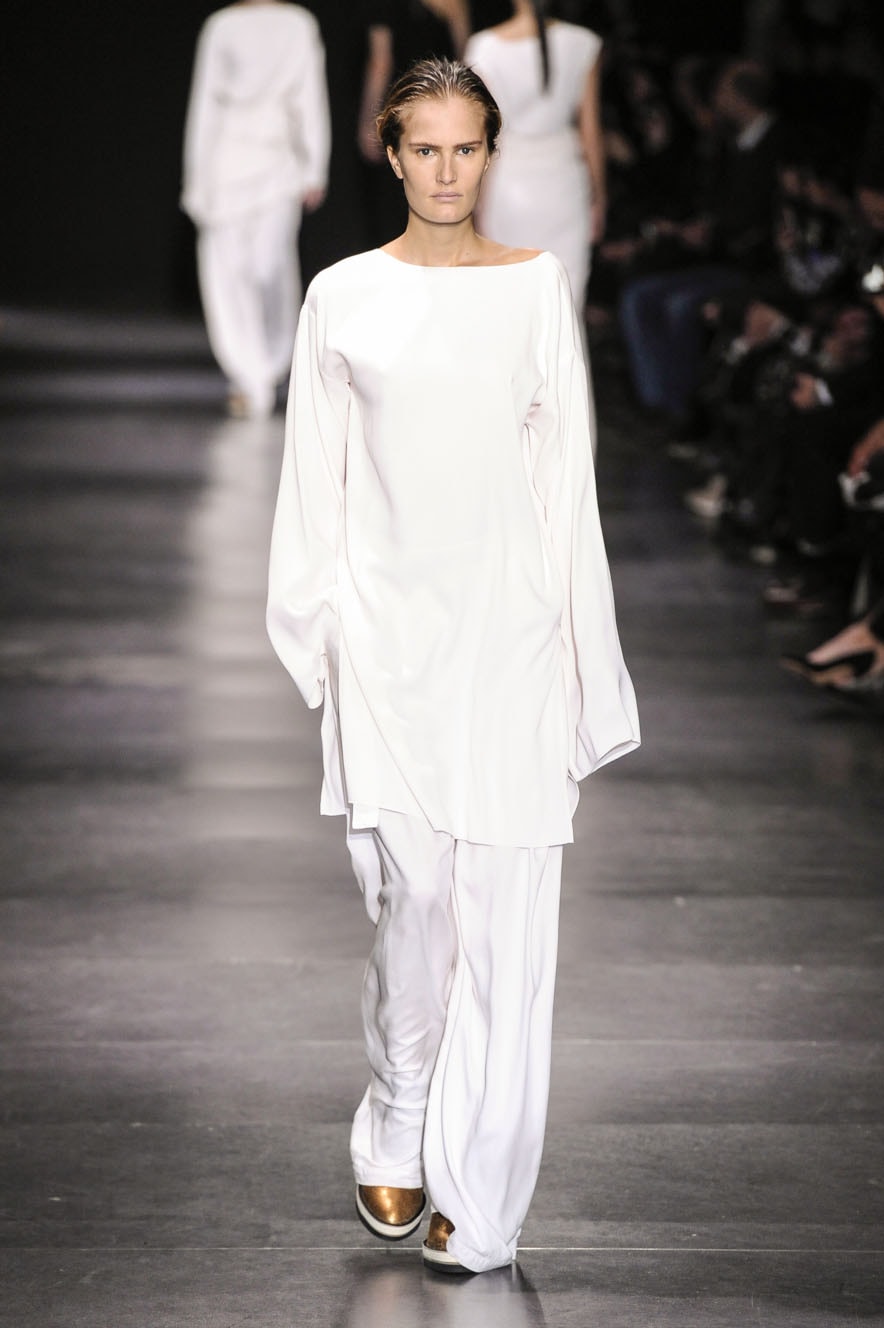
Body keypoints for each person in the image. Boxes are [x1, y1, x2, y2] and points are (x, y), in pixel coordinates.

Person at [266, 57, 639, 1275]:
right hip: (385, 642)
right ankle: (400, 1093)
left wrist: (584, 655)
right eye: (422, 148)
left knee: (506, 921)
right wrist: (314, 631)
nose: (444, 169)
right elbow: (312, 479)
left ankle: (478, 1198)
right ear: (390, 155)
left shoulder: (534, 288)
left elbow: (564, 481)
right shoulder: (341, 294)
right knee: (414, 903)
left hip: (509, 630)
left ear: (489, 153)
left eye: (464, 147)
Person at [181, 0, 331, 418]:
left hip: (277, 161)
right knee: (230, 271)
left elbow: (310, 96)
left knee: (268, 268)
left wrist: (315, 165)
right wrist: (196, 176)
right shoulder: (221, 26)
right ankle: (249, 375)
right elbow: (206, 103)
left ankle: (268, 364)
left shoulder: (298, 23)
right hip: (226, 160)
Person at [464, 0, 606, 315]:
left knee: (512, 306)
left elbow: (482, 136)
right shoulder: (582, 42)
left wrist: (476, 203)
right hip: (566, 186)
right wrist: (599, 197)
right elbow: (590, 131)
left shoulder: (484, 47)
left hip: (508, 186)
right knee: (566, 308)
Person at [357, 0, 471, 244]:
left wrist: (368, 121)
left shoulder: (383, 6)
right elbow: (465, 60)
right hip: (443, 116)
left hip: (401, 117)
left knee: (395, 210)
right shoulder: (453, 4)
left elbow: (380, 62)